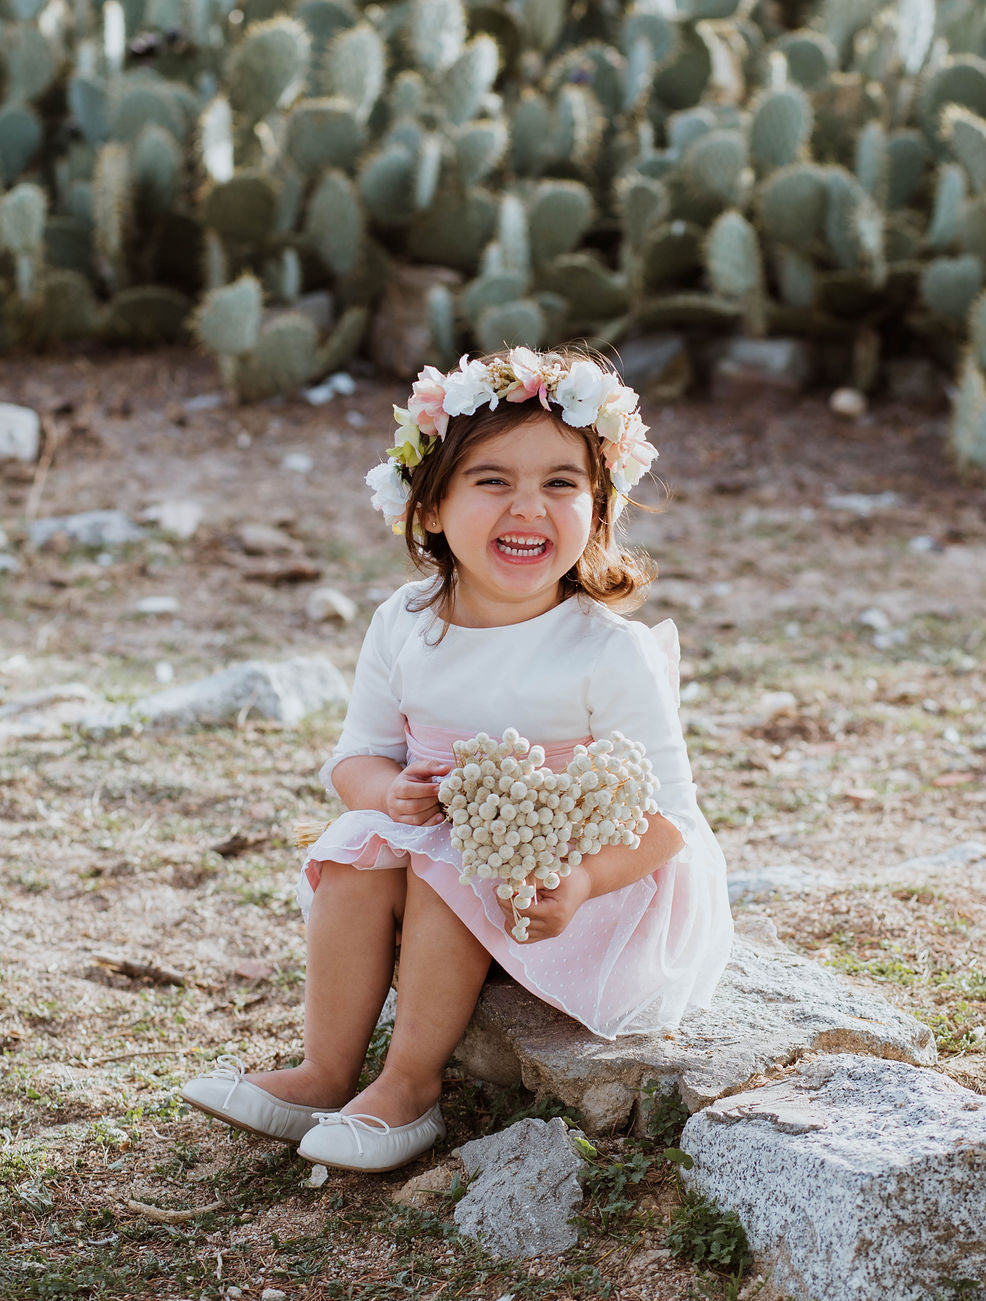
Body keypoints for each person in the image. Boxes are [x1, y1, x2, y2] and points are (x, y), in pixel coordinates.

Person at [181, 346, 733, 1172]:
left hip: (575, 883)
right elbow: (354, 760)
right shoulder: (405, 621)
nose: (529, 507)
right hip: (439, 849)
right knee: (357, 850)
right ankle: (325, 1072)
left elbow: (671, 821)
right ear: (431, 505)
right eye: (492, 480)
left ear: (599, 507)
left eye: (560, 483)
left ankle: (409, 1086)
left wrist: (578, 882)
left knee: (451, 863)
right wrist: (391, 792)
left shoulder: (602, 653)